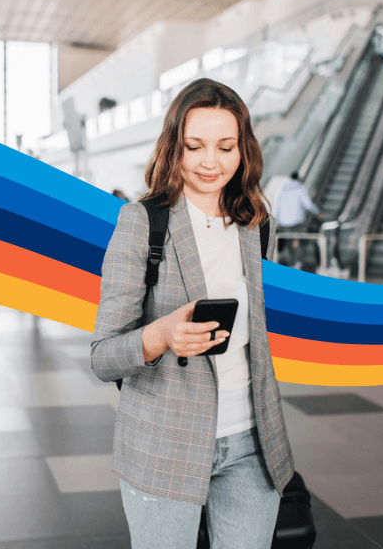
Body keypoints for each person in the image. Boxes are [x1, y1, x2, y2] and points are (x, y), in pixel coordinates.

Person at [91, 78, 294, 549]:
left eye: (226, 147)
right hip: (165, 442)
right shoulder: (142, 221)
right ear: (173, 147)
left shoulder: (257, 224)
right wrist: (161, 335)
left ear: (243, 149)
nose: (210, 162)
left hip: (252, 442)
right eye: (194, 146)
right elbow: (103, 356)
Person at [274, 172, 321, 269]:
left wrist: (277, 222)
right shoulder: (300, 188)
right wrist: (318, 213)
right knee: (299, 241)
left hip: (284, 222)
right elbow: (308, 205)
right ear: (298, 178)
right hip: (297, 222)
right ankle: (298, 263)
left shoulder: (282, 189)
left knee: (289, 242)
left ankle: (291, 263)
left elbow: (277, 207)